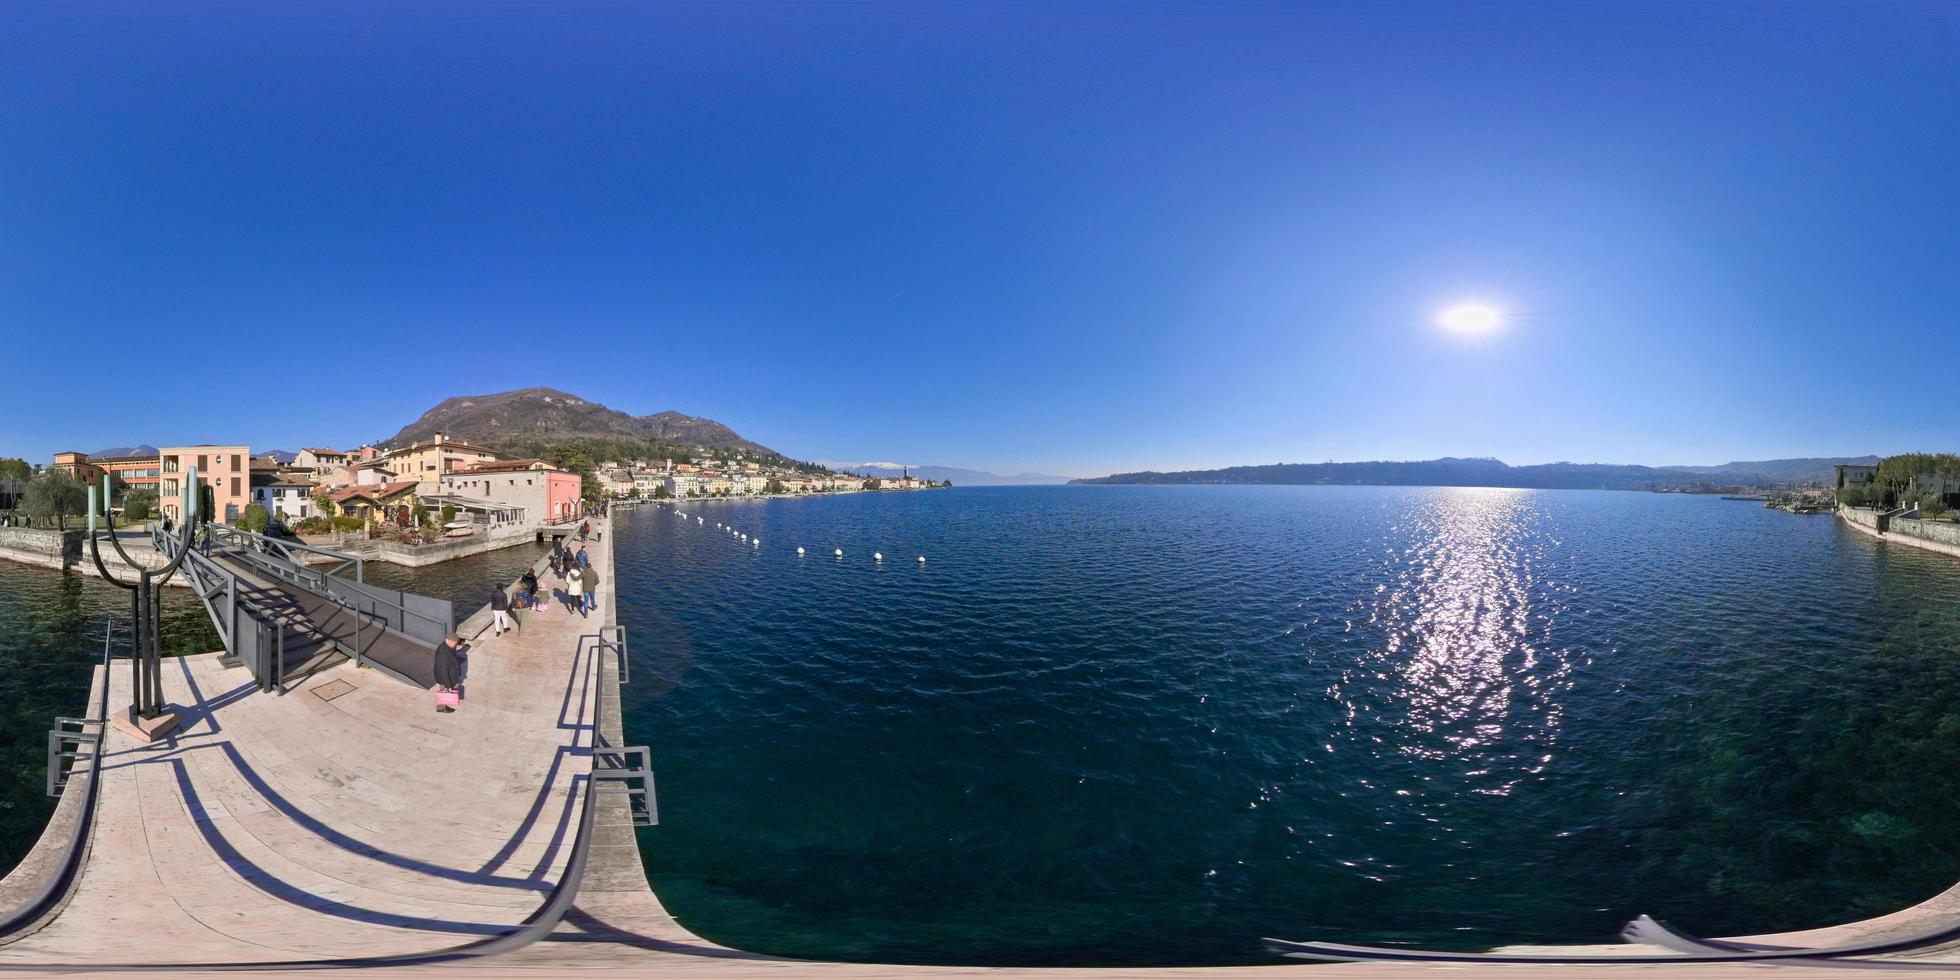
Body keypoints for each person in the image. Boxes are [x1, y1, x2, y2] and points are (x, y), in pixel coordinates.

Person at [433, 633, 465, 713]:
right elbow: (442, 669)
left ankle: (442, 705)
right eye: (454, 642)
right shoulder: (443, 652)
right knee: (443, 691)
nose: (455, 644)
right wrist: (448, 683)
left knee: (444, 691)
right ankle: (441, 708)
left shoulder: (448, 647)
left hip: (449, 675)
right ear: (448, 640)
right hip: (444, 678)